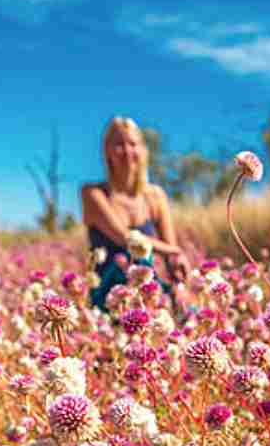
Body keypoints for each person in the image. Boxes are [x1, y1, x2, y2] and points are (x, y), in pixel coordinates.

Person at [81, 116, 190, 310]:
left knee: (189, 314)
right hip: (108, 296)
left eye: (133, 143)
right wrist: (176, 251)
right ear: (107, 151)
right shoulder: (93, 194)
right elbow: (127, 238)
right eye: (119, 144)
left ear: (143, 150)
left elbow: (170, 255)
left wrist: (178, 280)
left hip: (148, 291)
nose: (127, 151)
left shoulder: (156, 196)